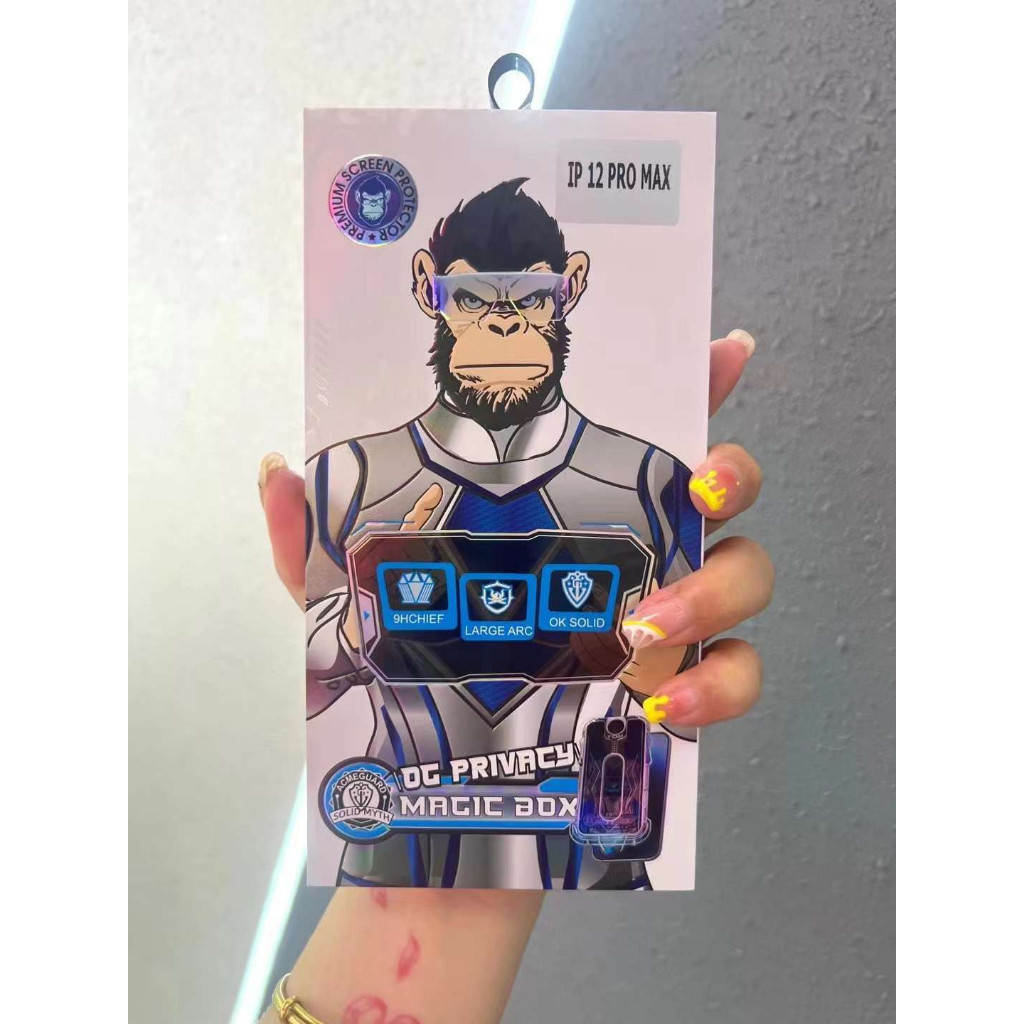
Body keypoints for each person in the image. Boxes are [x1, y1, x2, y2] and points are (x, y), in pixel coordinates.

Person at [257, 328, 774, 1024]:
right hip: (403, 828)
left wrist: (656, 669)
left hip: (574, 819)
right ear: (428, 290)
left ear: (571, 289)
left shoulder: (645, 476)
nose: (503, 322)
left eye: (528, 297)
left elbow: (659, 680)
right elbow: (324, 673)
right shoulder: (354, 475)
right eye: (474, 297)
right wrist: (360, 621)